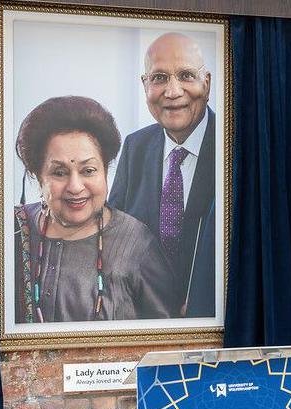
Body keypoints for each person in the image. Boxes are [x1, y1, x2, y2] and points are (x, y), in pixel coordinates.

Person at [13, 96, 175, 323]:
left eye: (88, 170)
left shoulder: (137, 243)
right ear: (38, 177)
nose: (76, 187)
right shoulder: (10, 234)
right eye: (59, 173)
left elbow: (169, 340)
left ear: (105, 170)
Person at [109, 32, 215, 318]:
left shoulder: (233, 145)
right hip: (143, 322)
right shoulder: (134, 146)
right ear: (145, 85)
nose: (172, 91)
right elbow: (113, 235)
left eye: (185, 75)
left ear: (207, 83)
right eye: (159, 78)